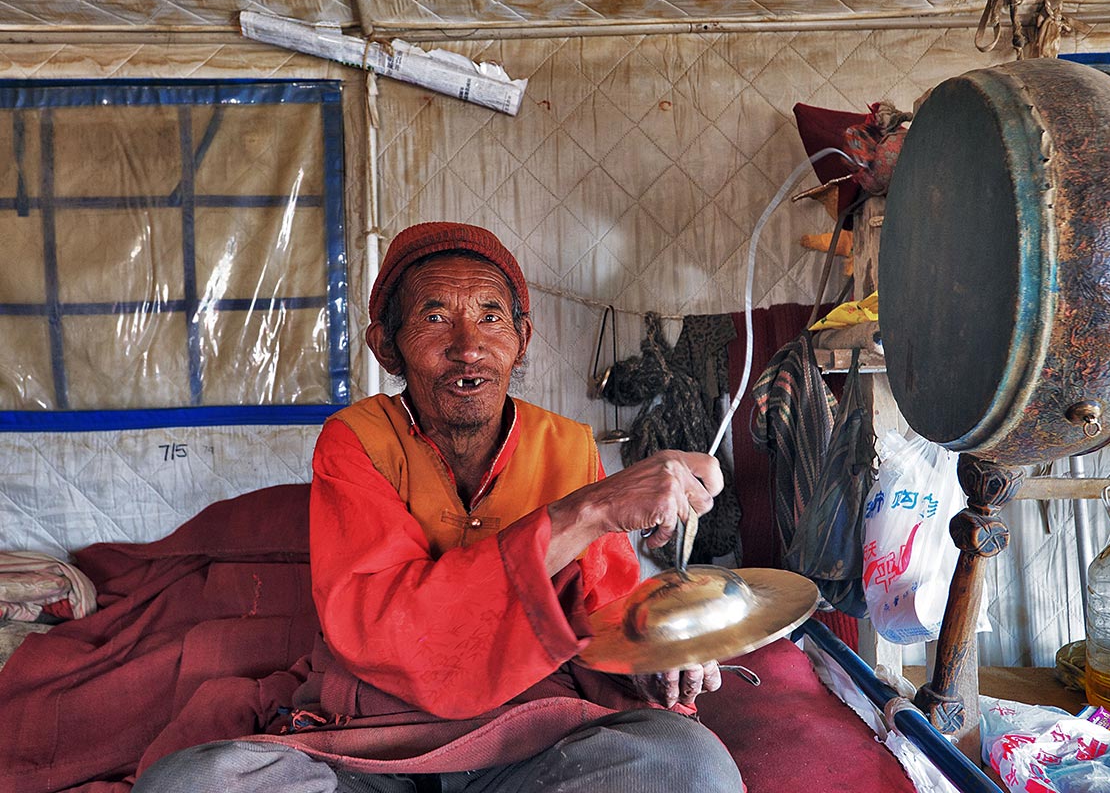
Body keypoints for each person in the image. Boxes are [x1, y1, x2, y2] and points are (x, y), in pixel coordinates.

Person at [133, 222, 744, 792]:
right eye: (434, 317)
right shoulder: (356, 441)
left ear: (521, 337)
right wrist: (587, 511)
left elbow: (605, 619)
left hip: (534, 734)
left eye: (491, 317)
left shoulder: (567, 446)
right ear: (386, 346)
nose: (469, 347)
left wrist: (657, 658)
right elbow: (384, 629)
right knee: (194, 782)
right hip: (373, 738)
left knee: (690, 762)